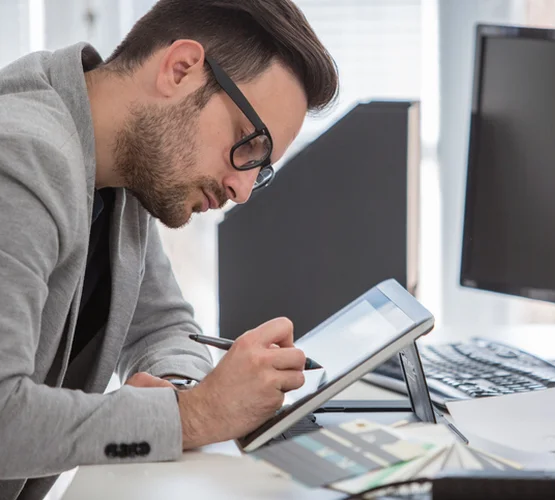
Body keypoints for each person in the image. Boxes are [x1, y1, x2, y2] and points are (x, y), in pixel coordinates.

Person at [0, 0, 339, 498]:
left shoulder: (121, 167)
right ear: (180, 70)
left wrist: (182, 392)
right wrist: (196, 414)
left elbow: (163, 327)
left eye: (260, 170)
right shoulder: (21, 158)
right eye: (249, 144)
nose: (242, 190)